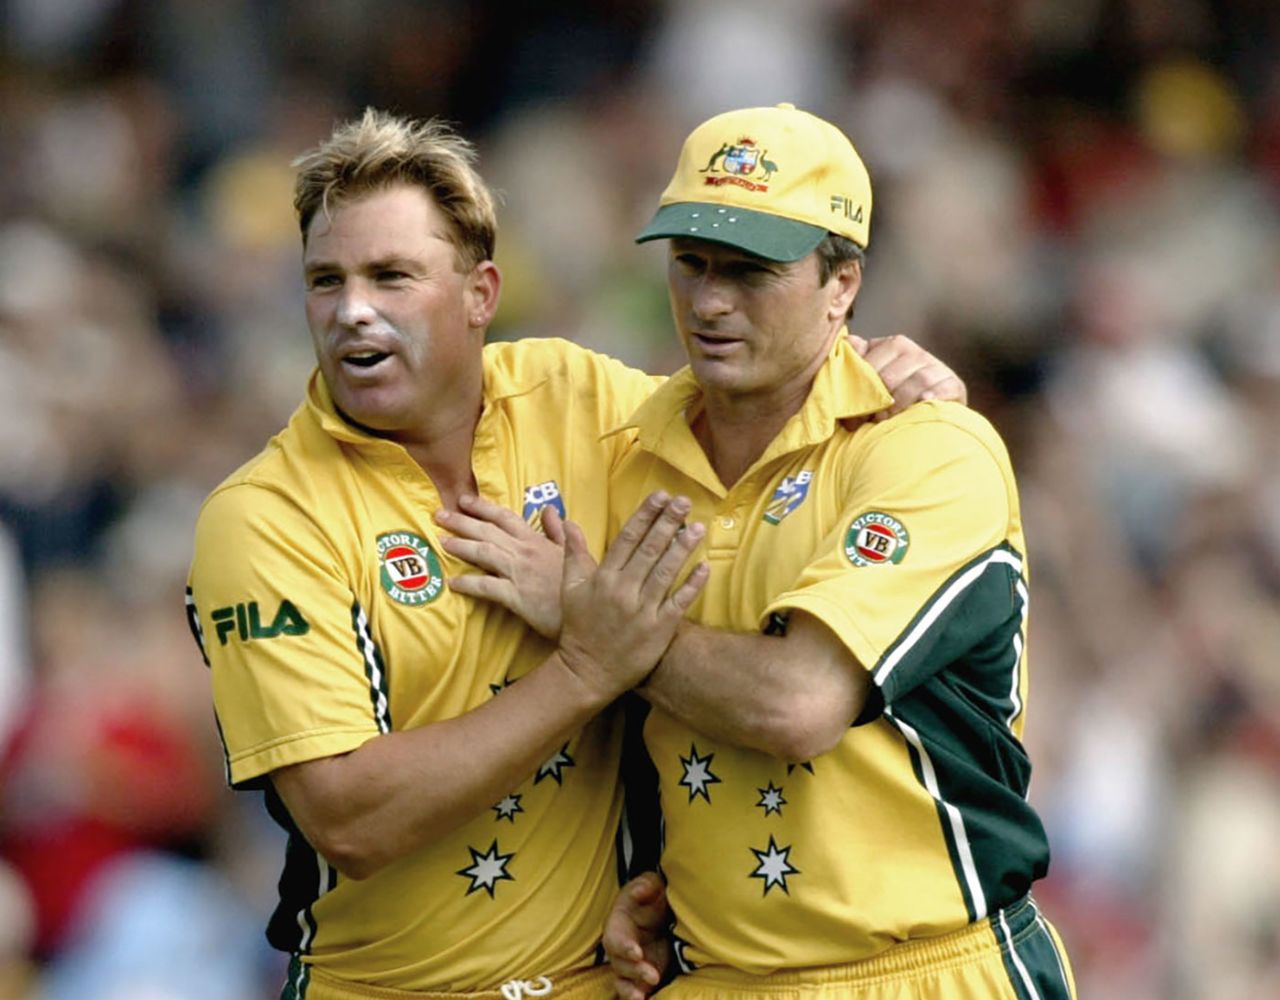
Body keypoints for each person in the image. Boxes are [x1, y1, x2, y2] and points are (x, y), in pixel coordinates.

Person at [184, 108, 965, 1000]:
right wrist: (587, 667)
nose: (354, 309)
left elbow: (767, 404)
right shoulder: (263, 518)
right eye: (327, 281)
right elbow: (351, 820)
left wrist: (889, 384)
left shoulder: (583, 401)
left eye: (392, 276)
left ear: (482, 293)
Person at [588, 103, 1078, 999]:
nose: (708, 301)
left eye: (750, 271)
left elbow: (798, 704)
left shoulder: (926, 447)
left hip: (928, 970)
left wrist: (599, 625)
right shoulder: (620, 449)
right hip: (715, 976)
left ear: (842, 282)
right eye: (689, 263)